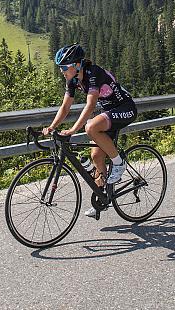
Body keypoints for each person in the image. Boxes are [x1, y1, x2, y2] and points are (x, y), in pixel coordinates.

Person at [42, 43, 137, 218]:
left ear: (77, 65)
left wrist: (72, 129)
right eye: (60, 67)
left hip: (125, 108)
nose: (61, 71)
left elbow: (91, 105)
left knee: (91, 127)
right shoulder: (72, 80)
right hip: (109, 112)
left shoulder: (93, 73)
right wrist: (52, 126)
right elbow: (65, 107)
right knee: (96, 157)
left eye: (64, 67)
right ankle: (102, 198)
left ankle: (118, 162)